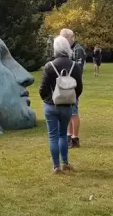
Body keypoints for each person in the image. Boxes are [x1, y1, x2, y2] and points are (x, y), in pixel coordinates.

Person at [39, 35, 83, 174]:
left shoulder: (49, 66)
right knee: (63, 134)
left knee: (53, 136)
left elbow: (43, 88)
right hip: (67, 106)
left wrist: (47, 99)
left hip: (51, 105)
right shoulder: (74, 66)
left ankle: (56, 166)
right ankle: (66, 163)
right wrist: (72, 99)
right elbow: (79, 88)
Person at [59, 28, 84, 148]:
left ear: (70, 38)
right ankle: (68, 135)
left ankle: (75, 138)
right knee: (66, 112)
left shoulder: (78, 50)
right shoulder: (65, 50)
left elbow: (78, 69)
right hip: (63, 84)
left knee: (73, 112)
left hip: (73, 85)